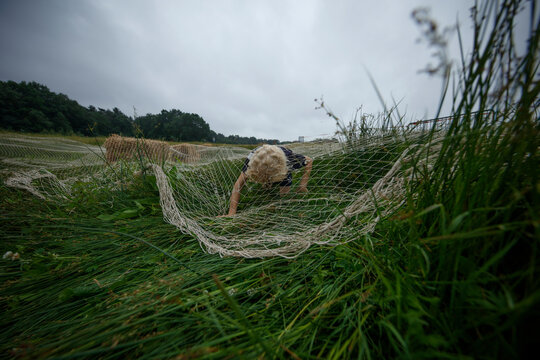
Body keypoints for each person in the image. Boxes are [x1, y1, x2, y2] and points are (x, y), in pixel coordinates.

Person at [221, 144, 313, 216]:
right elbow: (238, 185)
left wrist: (302, 185)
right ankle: (266, 184)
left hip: (283, 164)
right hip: (261, 160)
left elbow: (309, 161)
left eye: (268, 178)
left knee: (284, 199)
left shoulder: (290, 160)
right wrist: (232, 212)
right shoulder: (252, 161)